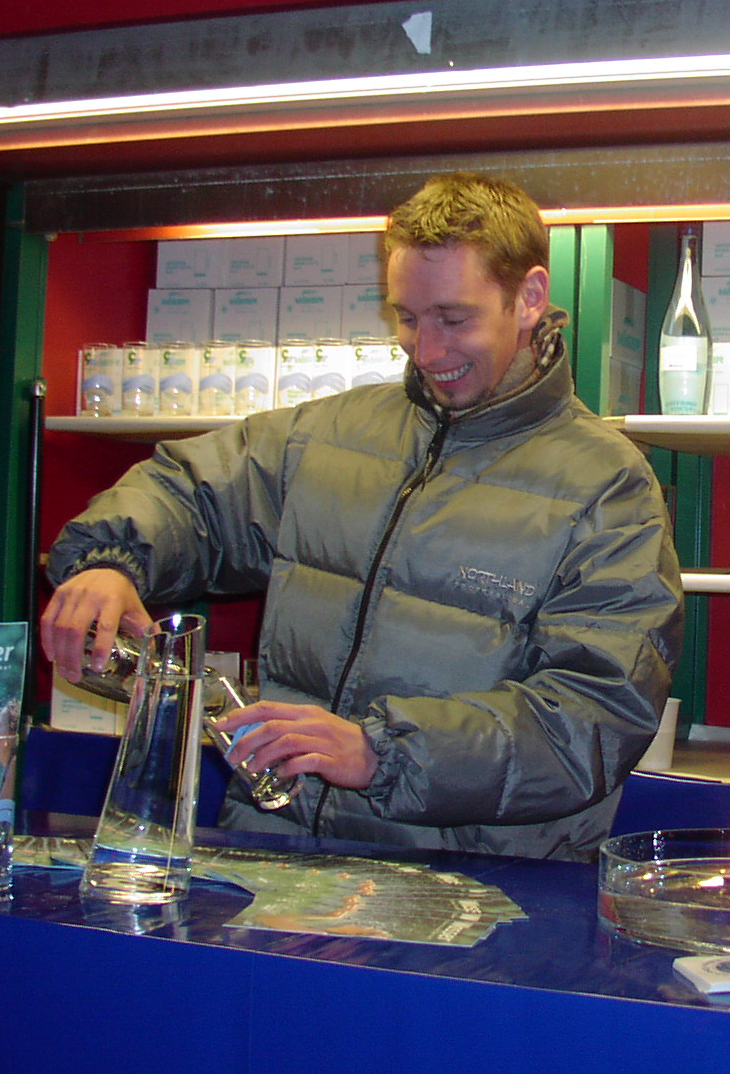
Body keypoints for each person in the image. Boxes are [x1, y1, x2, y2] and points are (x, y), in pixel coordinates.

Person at [42, 172, 684, 862]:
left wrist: (384, 754)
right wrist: (110, 562)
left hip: (476, 895)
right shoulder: (327, 436)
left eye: (453, 318)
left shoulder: (608, 488)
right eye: (407, 317)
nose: (426, 350)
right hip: (282, 867)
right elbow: (187, 491)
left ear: (528, 299)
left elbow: (592, 719)